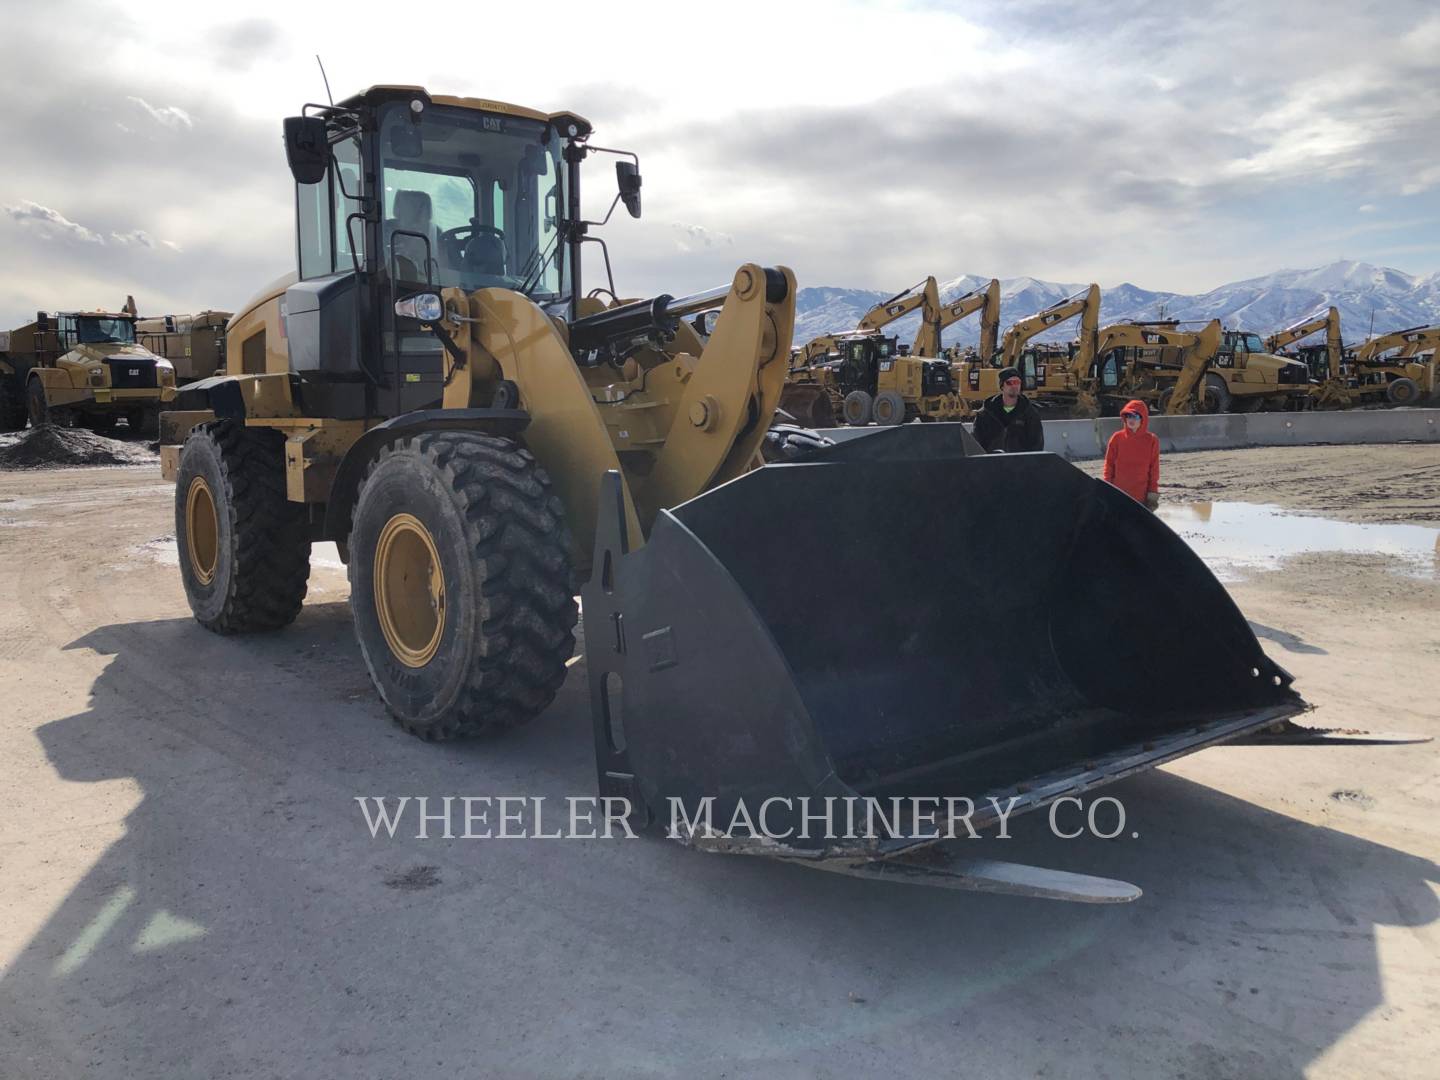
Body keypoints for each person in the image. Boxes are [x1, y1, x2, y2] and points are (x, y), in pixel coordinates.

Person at [1103, 399, 1161, 510]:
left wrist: (1152, 496)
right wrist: (1107, 488)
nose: (1131, 419)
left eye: (1135, 416)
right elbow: (1109, 465)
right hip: (1118, 496)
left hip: (1140, 499)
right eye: (1128, 416)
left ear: (1143, 418)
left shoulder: (1152, 440)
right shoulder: (1117, 438)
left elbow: (1154, 470)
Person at [970, 367, 1044, 453]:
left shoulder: (1030, 414)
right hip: (992, 463)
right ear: (1002, 386)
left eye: (1017, 382)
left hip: (1020, 464)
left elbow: (1037, 446)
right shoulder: (985, 413)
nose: (1014, 386)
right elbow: (975, 444)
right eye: (1010, 383)